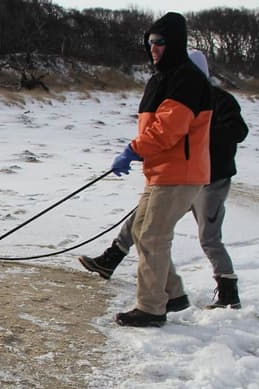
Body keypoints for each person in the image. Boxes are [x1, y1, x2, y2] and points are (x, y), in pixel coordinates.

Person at [80, 49, 248, 312]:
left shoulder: (220, 99)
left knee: (208, 237)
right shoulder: (173, 95)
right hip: (177, 174)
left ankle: (227, 291)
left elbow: (238, 130)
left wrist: (197, 137)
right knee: (143, 222)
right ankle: (112, 259)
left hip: (211, 181)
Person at [100, 12, 213, 328]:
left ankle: (150, 308)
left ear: (174, 43)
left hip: (181, 173)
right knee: (140, 231)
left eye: (160, 42)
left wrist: (133, 150)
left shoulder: (186, 79)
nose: (154, 48)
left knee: (152, 236)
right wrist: (138, 153)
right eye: (150, 42)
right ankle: (172, 294)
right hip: (162, 170)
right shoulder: (164, 76)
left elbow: (168, 129)